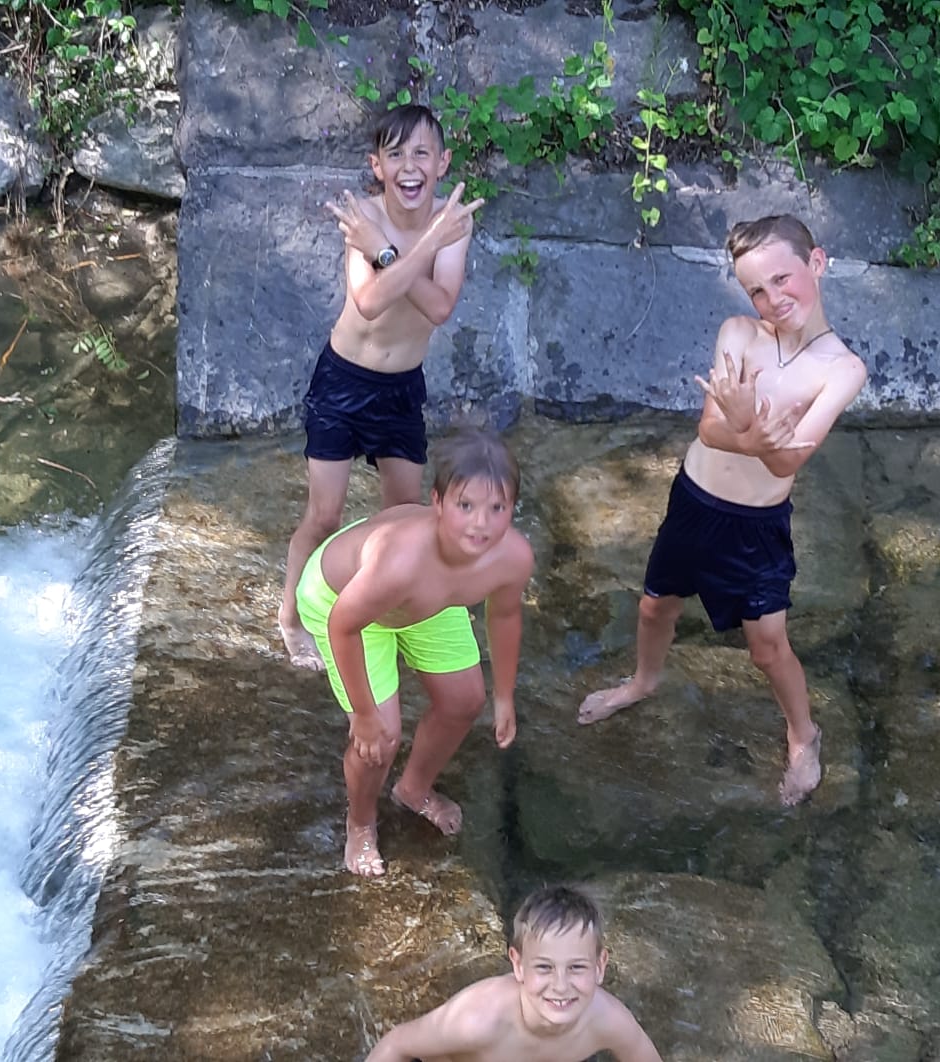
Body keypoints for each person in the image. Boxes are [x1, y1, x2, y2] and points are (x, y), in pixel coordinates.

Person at [578, 214, 867, 807]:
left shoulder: (842, 369)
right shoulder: (740, 333)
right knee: (655, 604)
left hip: (754, 527)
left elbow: (788, 463)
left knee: (766, 647)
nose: (772, 298)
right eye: (757, 289)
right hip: (694, 499)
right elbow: (709, 428)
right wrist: (755, 434)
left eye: (782, 279)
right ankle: (644, 680)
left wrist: (752, 432)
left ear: (816, 262)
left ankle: (803, 735)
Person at [280, 103, 485, 670]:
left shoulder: (453, 222)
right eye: (396, 155)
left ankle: (389, 606)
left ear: (442, 162)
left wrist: (389, 252)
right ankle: (291, 617)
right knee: (325, 514)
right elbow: (369, 301)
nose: (409, 166)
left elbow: (440, 307)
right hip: (343, 381)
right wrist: (401, 248)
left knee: (405, 513)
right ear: (377, 166)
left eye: (422, 153)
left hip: (401, 389)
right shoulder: (362, 217)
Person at [296, 428, 533, 876]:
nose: (481, 524)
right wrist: (364, 715)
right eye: (466, 506)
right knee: (379, 739)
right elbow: (343, 624)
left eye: (497, 508)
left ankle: (413, 789)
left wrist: (504, 696)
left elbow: (504, 615)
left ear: (513, 509)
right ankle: (360, 824)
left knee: (466, 701)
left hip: (428, 599)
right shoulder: (400, 561)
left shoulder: (513, 557)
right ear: (438, 502)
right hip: (343, 601)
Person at [364, 884, 663, 1061]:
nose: (561, 986)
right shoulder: (479, 1020)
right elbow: (396, 1045)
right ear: (518, 965)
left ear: (600, 966)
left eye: (576, 967)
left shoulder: (609, 1021)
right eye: (544, 967)